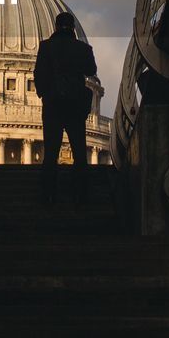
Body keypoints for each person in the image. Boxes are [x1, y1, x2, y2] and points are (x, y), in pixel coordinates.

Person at [33, 11, 96, 204]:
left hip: (53, 105)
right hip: (75, 106)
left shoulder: (45, 47)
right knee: (79, 151)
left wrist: (45, 93)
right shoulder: (82, 48)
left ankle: (48, 194)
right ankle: (81, 194)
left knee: (50, 152)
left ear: (55, 27)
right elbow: (91, 70)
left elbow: (39, 74)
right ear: (73, 28)